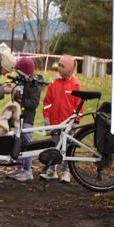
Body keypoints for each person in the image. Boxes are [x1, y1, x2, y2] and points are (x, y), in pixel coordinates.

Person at [40, 54, 81, 183]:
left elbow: (79, 104)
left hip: (68, 123)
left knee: (67, 147)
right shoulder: (54, 83)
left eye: (62, 66)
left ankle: (66, 171)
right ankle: (52, 170)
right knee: (54, 146)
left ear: (69, 69)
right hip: (55, 122)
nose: (59, 68)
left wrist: (76, 120)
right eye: (59, 65)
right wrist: (46, 116)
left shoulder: (75, 85)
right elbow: (47, 101)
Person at [5, 56, 42, 182]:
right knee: (18, 142)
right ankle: (20, 167)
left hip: (27, 119)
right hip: (18, 117)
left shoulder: (34, 85)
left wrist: (22, 100)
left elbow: (34, 103)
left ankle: (28, 170)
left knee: (27, 142)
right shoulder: (22, 83)